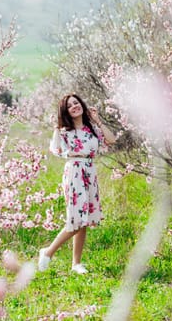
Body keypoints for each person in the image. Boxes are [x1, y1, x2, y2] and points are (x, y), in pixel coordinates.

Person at [38, 93, 116, 274]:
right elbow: (56, 150)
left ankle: (76, 263)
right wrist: (56, 129)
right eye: (70, 106)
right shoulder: (64, 132)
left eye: (76, 102)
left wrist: (97, 120)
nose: (74, 106)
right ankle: (48, 252)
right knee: (77, 218)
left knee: (85, 218)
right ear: (66, 112)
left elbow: (111, 139)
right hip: (74, 172)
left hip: (90, 171)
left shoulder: (92, 129)